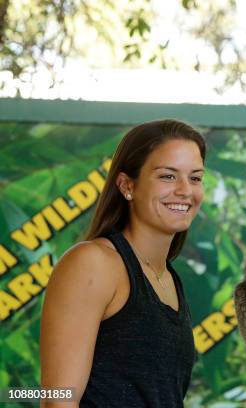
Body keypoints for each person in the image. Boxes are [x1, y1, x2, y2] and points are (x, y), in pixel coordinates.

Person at [40, 120, 206, 407]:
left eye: (195, 178)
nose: (185, 190)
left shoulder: (167, 277)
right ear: (127, 185)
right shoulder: (94, 263)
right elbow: (57, 400)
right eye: (168, 176)